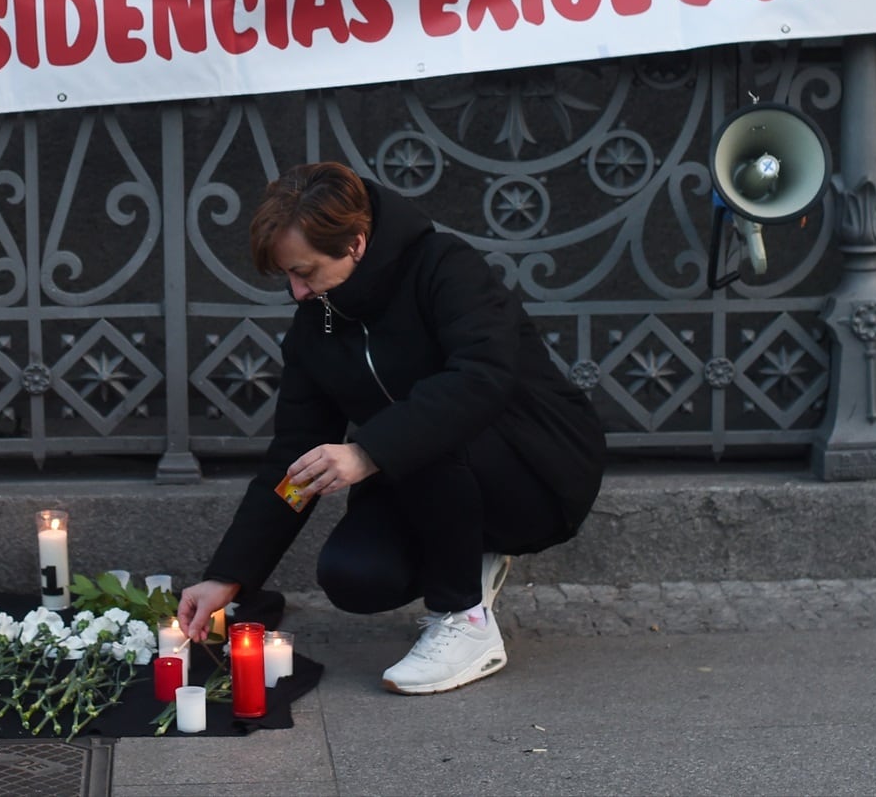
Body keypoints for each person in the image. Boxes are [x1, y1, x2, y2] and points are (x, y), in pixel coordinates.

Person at [177, 161, 605, 694]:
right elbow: (292, 456)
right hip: (431, 479)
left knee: (431, 417)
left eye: (305, 272)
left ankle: (465, 622)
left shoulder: (445, 267)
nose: (296, 293)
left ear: (355, 243)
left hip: (538, 469)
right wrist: (229, 574)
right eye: (287, 275)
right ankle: (472, 555)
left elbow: (480, 379)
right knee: (355, 576)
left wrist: (366, 452)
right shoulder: (319, 323)